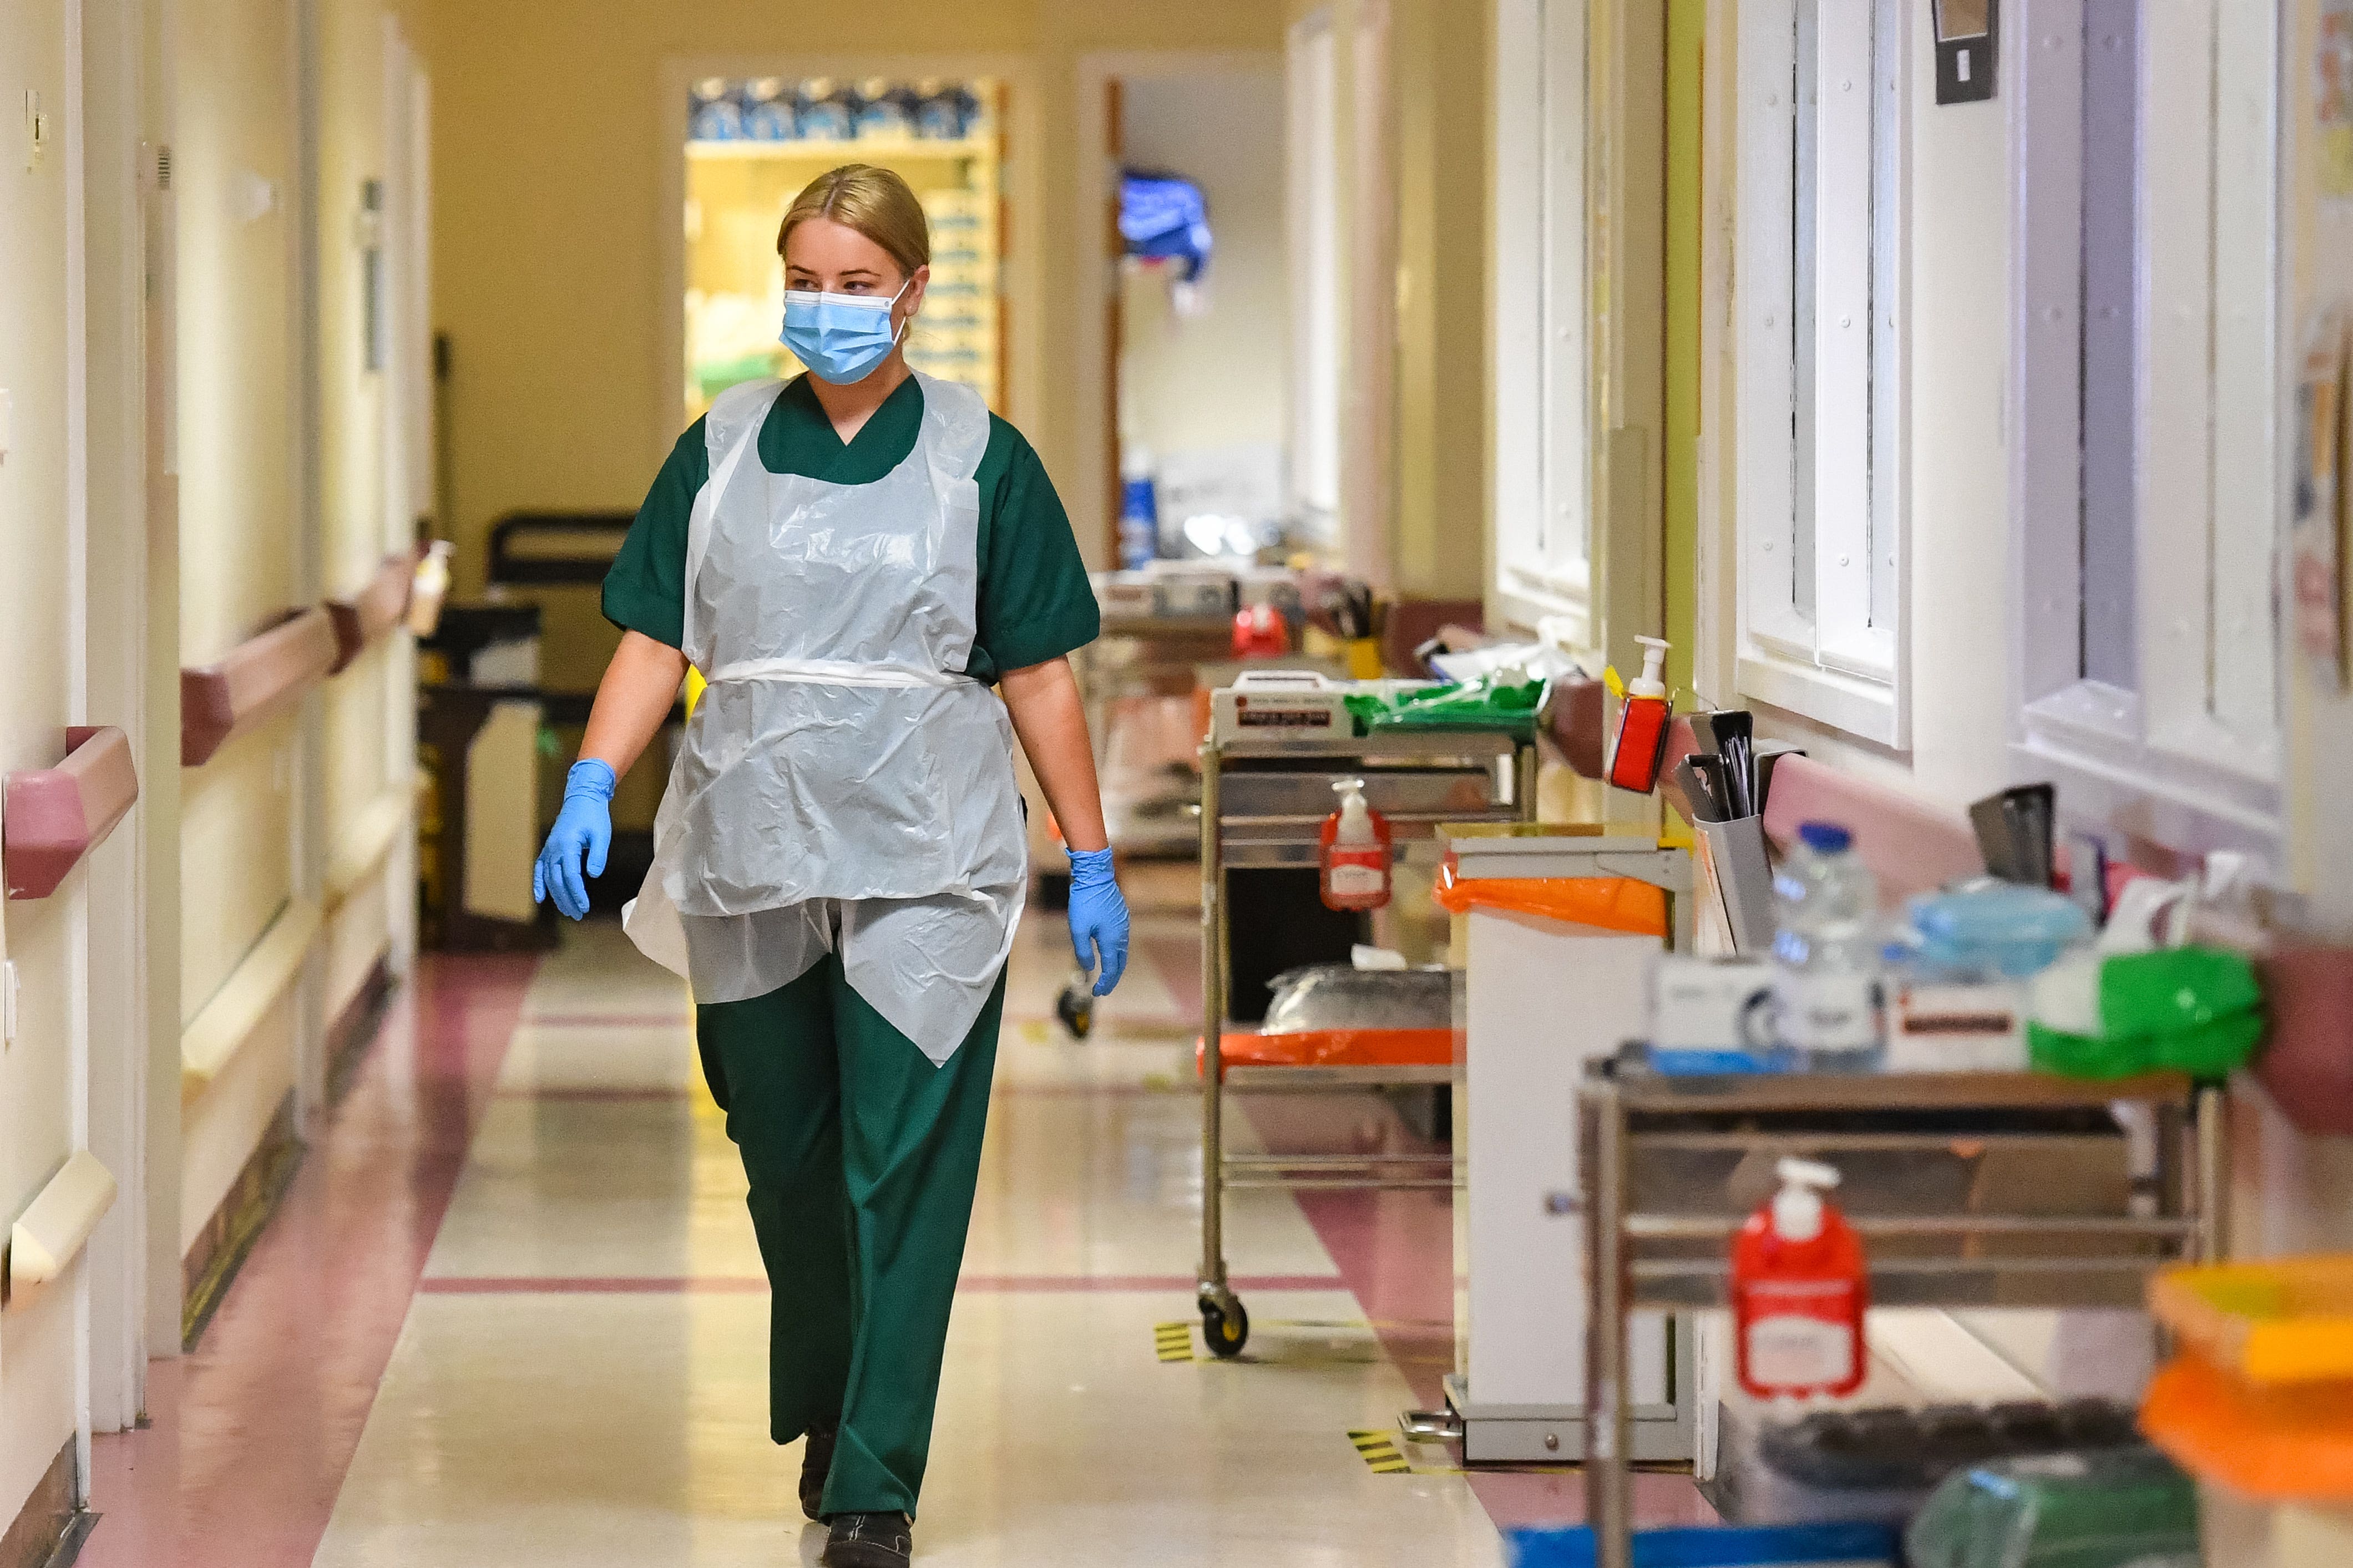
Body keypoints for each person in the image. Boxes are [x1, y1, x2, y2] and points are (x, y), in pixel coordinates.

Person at [532, 163, 1129, 1568]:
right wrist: (589, 779)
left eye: (858, 283)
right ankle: (832, 1392)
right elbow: (653, 635)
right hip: (751, 841)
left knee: (899, 1161)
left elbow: (1038, 673)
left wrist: (1089, 854)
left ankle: (875, 1479)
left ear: (915, 292)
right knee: (784, 1148)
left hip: (930, 852)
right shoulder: (723, 445)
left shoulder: (984, 457)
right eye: (806, 278)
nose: (829, 305)